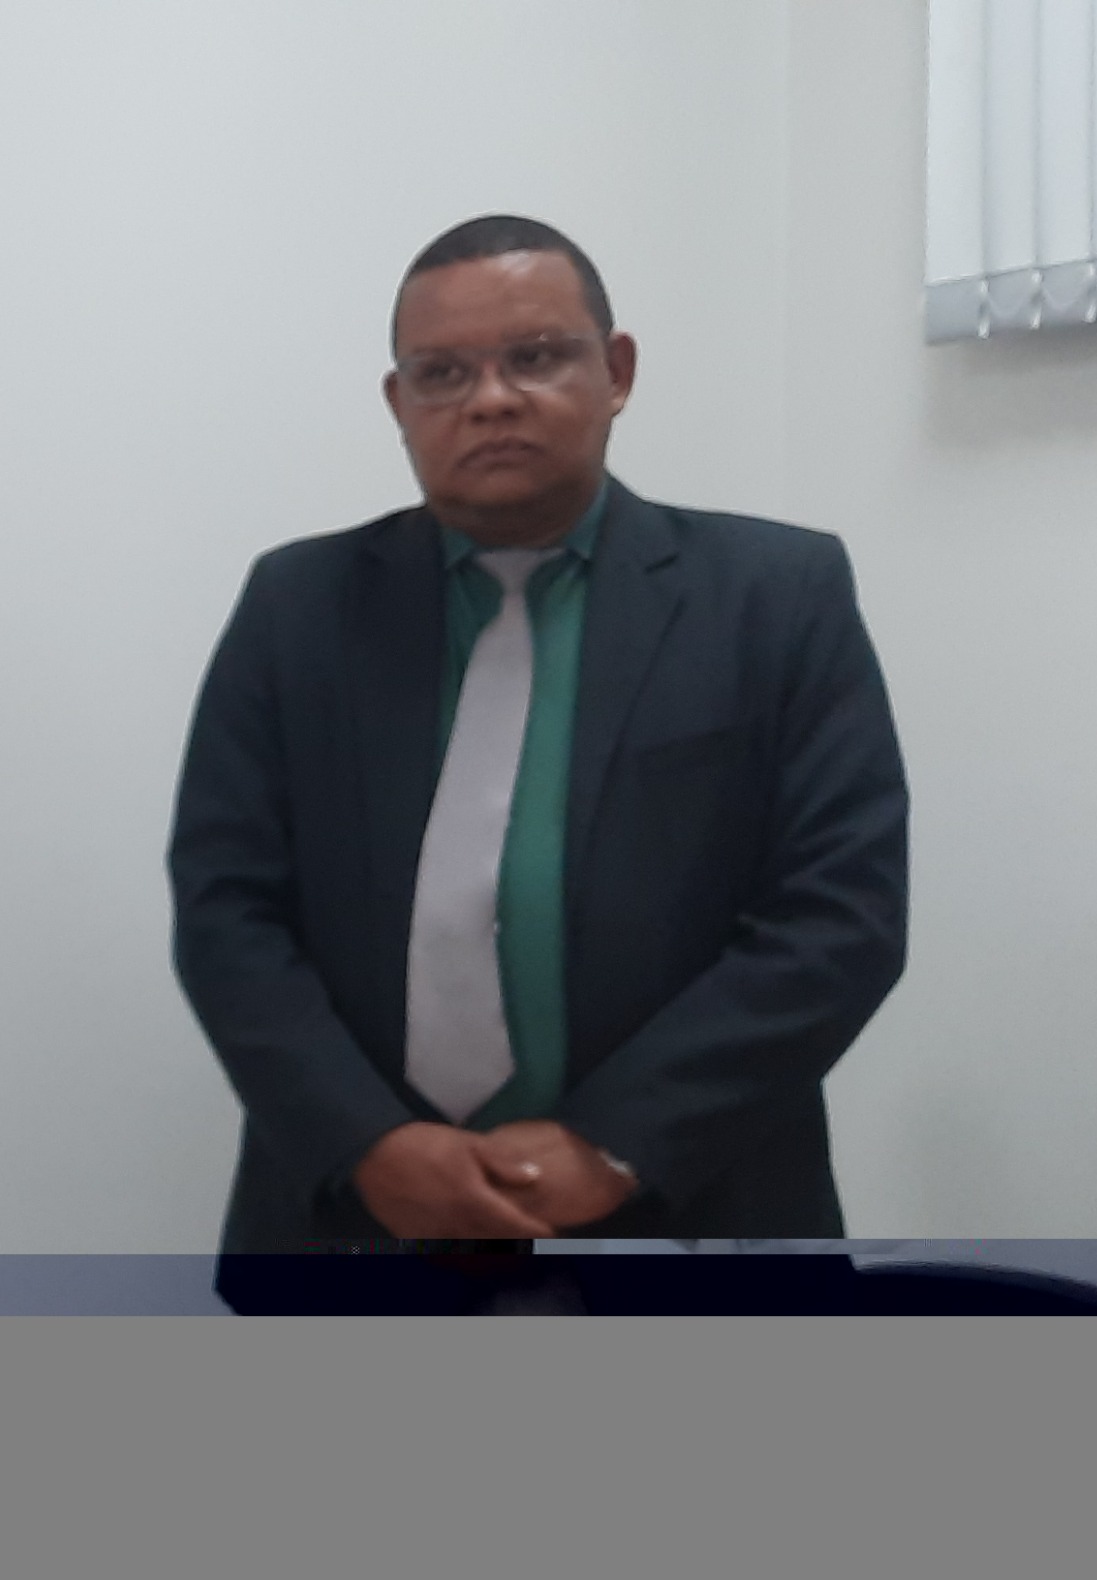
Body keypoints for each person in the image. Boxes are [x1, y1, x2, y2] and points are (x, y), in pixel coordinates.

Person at [168, 215, 910, 1305]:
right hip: (358, 1235)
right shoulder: (297, 608)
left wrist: (612, 1144)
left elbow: (839, 918)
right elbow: (226, 910)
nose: (491, 399)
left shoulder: (773, 597)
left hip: (690, 1220)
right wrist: (366, 1143)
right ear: (397, 403)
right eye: (442, 373)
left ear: (616, 372)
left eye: (535, 356)